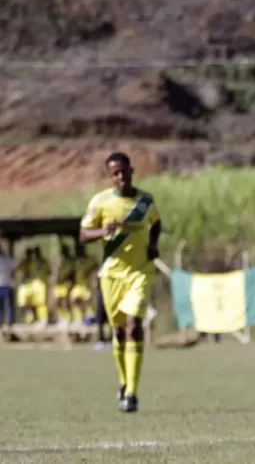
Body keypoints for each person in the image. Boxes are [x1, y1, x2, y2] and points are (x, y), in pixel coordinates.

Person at [79, 152, 162, 413]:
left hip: (139, 273)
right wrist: (103, 231)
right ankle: (124, 383)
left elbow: (156, 223)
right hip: (112, 274)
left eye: (124, 171)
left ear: (131, 170)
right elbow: (83, 234)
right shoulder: (101, 202)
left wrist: (153, 246)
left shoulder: (145, 201)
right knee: (117, 332)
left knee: (134, 325)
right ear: (109, 176)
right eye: (115, 173)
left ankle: (133, 393)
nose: (120, 177)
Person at [16, 246, 50, 325]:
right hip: (31, 285)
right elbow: (21, 272)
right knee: (30, 303)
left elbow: (49, 272)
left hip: (41, 285)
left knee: (41, 303)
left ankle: (43, 320)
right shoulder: (29, 262)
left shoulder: (44, 262)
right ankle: (31, 319)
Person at [0, 241, 15, 329]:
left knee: (8, 305)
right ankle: (1, 323)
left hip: (6, 284)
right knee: (1, 306)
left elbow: (13, 269)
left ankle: (9, 322)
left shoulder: (7, 259)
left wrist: (13, 280)